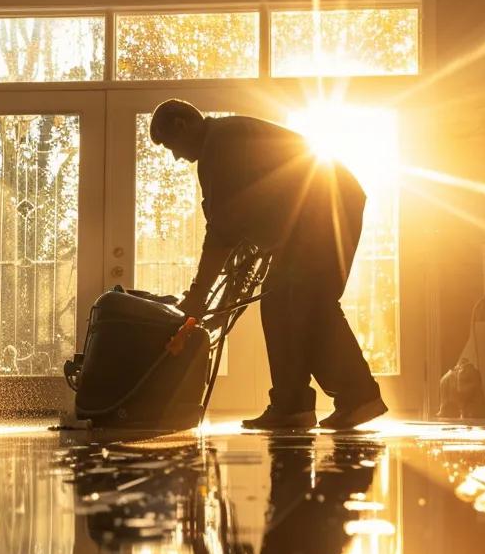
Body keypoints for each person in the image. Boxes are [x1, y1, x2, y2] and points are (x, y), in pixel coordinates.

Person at [148, 98, 387, 431]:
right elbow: (241, 245)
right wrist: (219, 311)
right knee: (300, 303)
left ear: (181, 125)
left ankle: (310, 404)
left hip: (324, 209)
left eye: (171, 146)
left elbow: (220, 235)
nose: (176, 157)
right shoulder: (226, 141)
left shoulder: (219, 147)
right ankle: (337, 399)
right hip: (327, 206)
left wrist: (197, 299)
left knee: (290, 301)